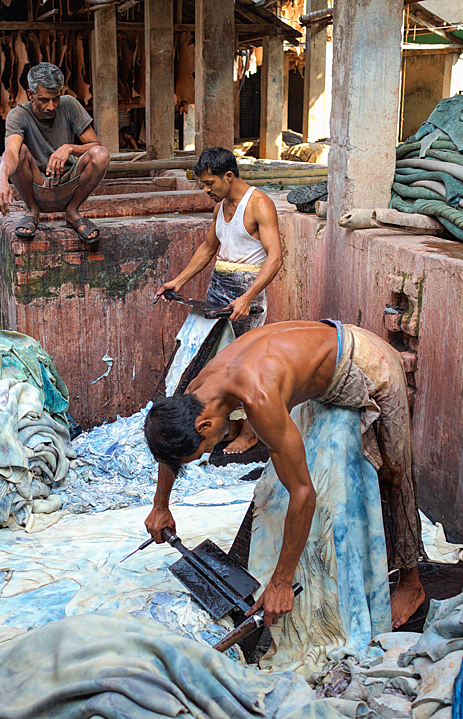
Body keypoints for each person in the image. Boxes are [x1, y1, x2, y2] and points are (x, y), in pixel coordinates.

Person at [142, 320, 426, 631]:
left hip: (368, 362)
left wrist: (281, 582)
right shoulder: (196, 395)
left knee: (394, 471)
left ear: (204, 426)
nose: (208, 453)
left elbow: (304, 493)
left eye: (203, 450)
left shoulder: (258, 398)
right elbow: (171, 449)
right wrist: (160, 505)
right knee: (275, 487)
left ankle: (411, 584)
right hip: (322, 364)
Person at [155, 147, 283, 453]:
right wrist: (179, 280)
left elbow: (275, 258)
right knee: (218, 362)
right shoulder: (219, 208)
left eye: (210, 183)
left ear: (229, 176)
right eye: (203, 184)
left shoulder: (259, 204)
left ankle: (250, 433)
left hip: (245, 293)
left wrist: (248, 298)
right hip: (218, 288)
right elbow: (207, 248)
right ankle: (231, 426)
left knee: (245, 367)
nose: (206, 189)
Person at [0, 62, 111, 243]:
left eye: (55, 98)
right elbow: (11, 153)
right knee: (21, 151)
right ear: (30, 94)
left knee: (101, 154)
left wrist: (69, 147)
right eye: (43, 100)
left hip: (69, 182)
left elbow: (95, 145)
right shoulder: (18, 115)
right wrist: (2, 179)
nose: (51, 106)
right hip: (38, 184)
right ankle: (32, 211)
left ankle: (72, 211)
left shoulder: (70, 105)